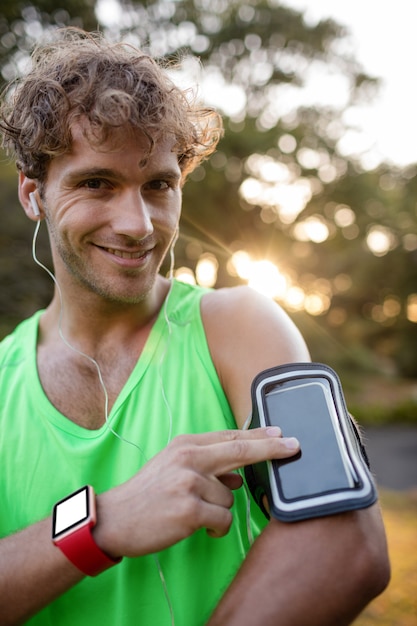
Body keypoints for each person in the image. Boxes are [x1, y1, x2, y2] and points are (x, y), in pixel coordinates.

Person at [0, 28, 389, 626]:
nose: (137, 224)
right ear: (34, 194)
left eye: (158, 185)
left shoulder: (237, 326)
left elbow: (346, 542)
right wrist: (100, 523)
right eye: (96, 183)